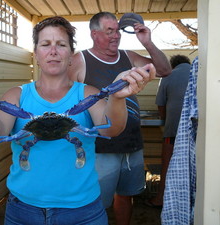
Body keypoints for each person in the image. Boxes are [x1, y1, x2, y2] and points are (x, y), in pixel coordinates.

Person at [0, 16, 156, 225]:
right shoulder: (17, 95)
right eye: (46, 44)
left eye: (61, 44)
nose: (53, 51)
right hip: (23, 209)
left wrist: (117, 98)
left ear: (72, 54)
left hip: (82, 210)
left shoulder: (88, 94)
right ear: (36, 53)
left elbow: (110, 130)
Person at [68, 12, 171, 225]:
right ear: (95, 34)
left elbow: (164, 70)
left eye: (117, 31)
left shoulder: (129, 57)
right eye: (109, 31)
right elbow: (64, 100)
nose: (116, 36)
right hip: (99, 148)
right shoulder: (80, 60)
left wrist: (147, 42)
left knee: (126, 195)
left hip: (132, 143)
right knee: (95, 202)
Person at [146, 54, 191, 208]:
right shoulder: (198, 74)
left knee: (167, 165)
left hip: (173, 133)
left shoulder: (168, 75)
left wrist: (166, 118)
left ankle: (160, 199)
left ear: (172, 65)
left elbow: (160, 105)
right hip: (196, 132)